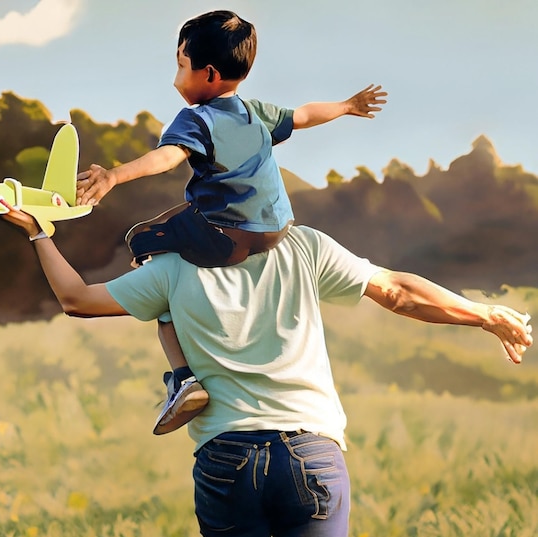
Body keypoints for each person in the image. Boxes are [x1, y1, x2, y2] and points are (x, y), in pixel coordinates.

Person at [1, 203, 532, 537]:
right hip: (311, 450)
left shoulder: (170, 268)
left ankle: (181, 383)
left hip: (226, 455)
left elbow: (76, 299)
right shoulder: (304, 247)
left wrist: (38, 232)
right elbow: (398, 290)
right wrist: (483, 313)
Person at [75, 10, 388, 434]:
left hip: (224, 238)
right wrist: (349, 106)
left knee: (142, 242)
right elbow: (306, 114)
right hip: (275, 232)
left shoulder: (196, 119)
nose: (174, 78)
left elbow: (166, 158)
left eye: (181, 66)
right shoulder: (255, 111)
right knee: (172, 224)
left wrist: (114, 175)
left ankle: (183, 378)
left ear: (209, 74)